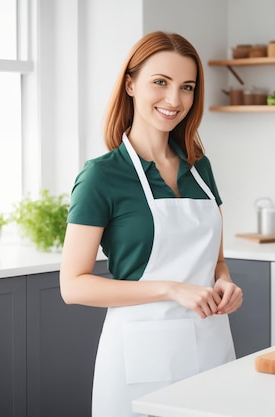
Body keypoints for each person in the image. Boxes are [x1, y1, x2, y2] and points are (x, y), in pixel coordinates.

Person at [59, 31, 242, 417]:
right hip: (138, 360)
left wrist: (224, 282)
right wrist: (171, 289)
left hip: (211, 347)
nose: (175, 100)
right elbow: (72, 286)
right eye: (160, 82)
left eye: (187, 87)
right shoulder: (102, 176)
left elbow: (217, 261)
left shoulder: (200, 167)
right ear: (130, 84)